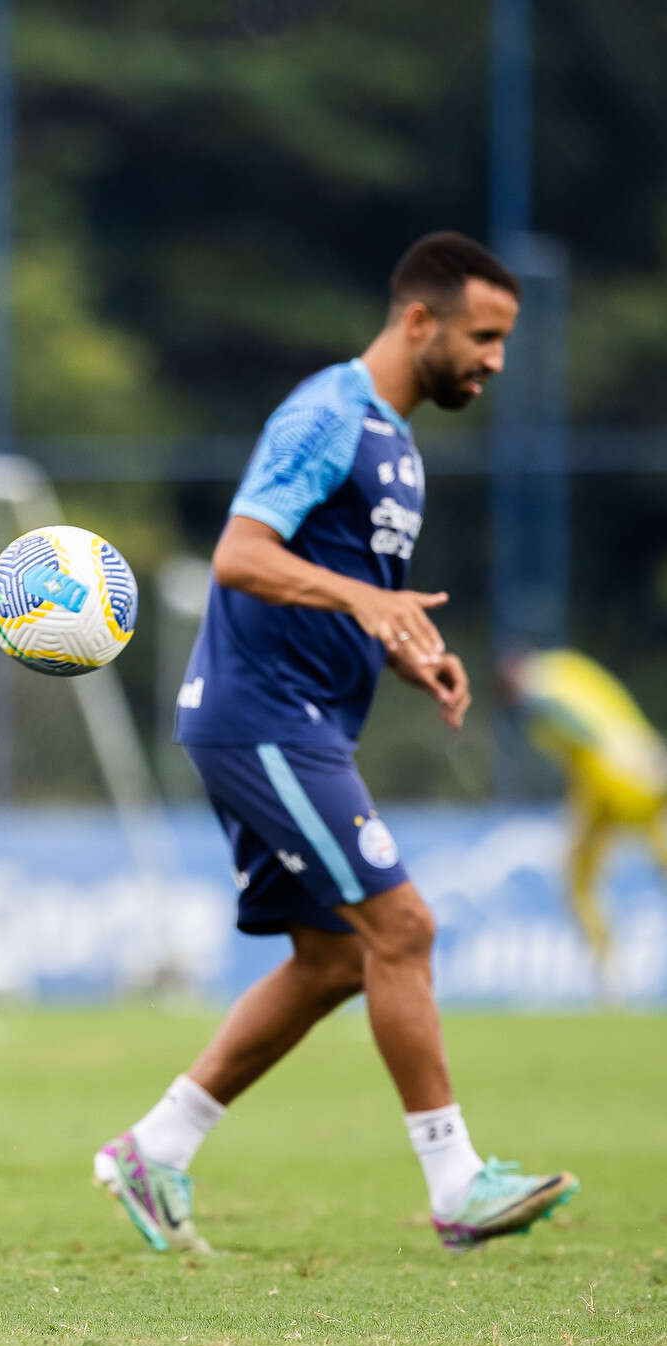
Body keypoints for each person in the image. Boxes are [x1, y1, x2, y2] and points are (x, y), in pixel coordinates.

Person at [96, 232, 578, 1254]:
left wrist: (402, 646)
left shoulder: (394, 439)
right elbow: (240, 555)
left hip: (297, 719)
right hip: (259, 717)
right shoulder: (328, 413)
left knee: (330, 960)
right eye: (483, 336)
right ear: (419, 321)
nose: (494, 358)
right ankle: (455, 1182)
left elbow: (330, 588)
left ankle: (154, 1146)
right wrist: (366, 597)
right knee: (401, 929)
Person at [501, 646, 667, 987]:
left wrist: (644, 753)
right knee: (577, 878)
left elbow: (578, 720)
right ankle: (608, 972)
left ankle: (609, 971)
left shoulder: (546, 680)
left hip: (628, 774)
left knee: (587, 877)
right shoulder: (565, 674)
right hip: (597, 787)